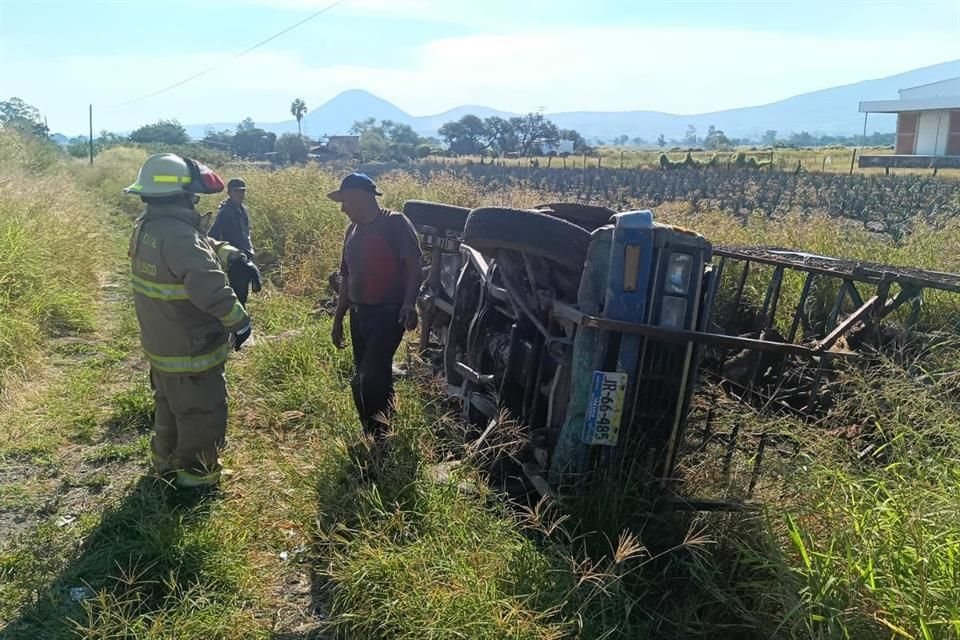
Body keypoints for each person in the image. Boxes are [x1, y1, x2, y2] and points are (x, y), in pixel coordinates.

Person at [124, 153, 260, 489]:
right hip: (191, 347)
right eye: (193, 194)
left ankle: (165, 466)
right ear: (181, 194)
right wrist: (239, 322)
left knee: (170, 407)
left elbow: (200, 245)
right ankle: (196, 482)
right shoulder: (180, 236)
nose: (196, 199)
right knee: (203, 414)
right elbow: (209, 285)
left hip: (163, 344)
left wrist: (232, 254)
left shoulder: (150, 227)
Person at [329, 173, 423, 440]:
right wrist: (338, 320)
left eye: (345, 201)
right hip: (359, 316)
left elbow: (413, 266)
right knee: (375, 375)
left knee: (366, 380)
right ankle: (384, 429)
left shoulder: (395, 223)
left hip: (388, 315)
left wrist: (409, 303)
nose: (343, 208)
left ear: (361, 197)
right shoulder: (352, 231)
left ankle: (376, 436)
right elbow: (346, 278)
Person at [209, 177, 261, 305]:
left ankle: (241, 317)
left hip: (245, 255)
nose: (240, 194)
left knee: (244, 291)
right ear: (229, 193)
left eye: (242, 191)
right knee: (238, 293)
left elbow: (245, 234)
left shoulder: (243, 210)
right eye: (236, 191)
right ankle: (238, 321)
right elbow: (212, 235)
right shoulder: (225, 212)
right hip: (235, 258)